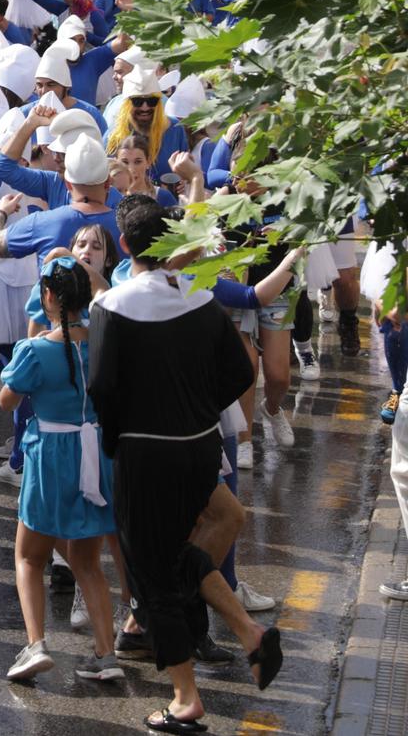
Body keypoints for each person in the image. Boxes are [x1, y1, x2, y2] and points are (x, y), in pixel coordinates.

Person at [88, 196, 283, 732]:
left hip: (145, 453)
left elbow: (102, 387)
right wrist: (197, 410)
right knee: (176, 555)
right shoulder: (200, 298)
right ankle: (248, 632)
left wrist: (115, 441)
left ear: (124, 246)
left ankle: (185, 700)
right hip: (200, 449)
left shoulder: (112, 305)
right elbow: (241, 374)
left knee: (151, 578)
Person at [0, 257, 122, 683]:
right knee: (88, 562)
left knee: (29, 557)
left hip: (50, 453)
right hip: (95, 454)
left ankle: (35, 645)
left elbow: (7, 400)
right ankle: (106, 654)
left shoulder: (35, 350)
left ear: (48, 297)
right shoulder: (104, 343)